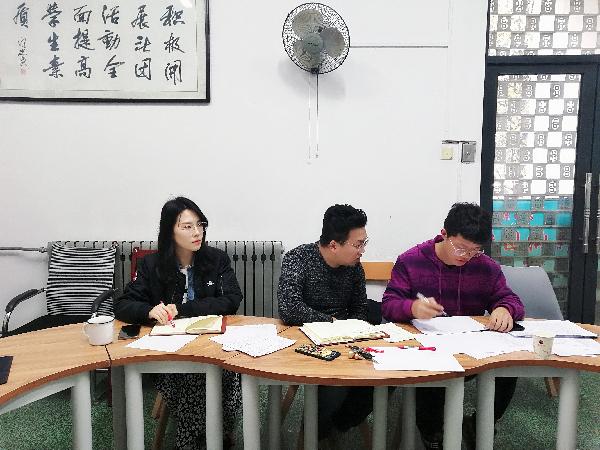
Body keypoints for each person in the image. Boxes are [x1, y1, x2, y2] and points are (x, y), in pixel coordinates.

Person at [381, 202, 525, 450]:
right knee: (432, 377)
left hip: (472, 349)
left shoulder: (486, 267)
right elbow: (389, 304)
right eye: (460, 248)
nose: (466, 256)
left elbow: (511, 300)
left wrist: (504, 308)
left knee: (508, 366)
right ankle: (432, 435)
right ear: (444, 234)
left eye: (475, 250)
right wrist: (412, 308)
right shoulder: (411, 261)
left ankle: (480, 425)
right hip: (427, 348)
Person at [114, 196, 243, 450]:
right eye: (187, 226)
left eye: (200, 225)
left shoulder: (217, 260)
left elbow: (232, 299)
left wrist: (183, 309)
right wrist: (150, 311)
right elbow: (122, 304)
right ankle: (200, 440)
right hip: (170, 354)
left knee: (229, 370)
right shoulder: (152, 265)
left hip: (211, 346)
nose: (197, 232)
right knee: (195, 378)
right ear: (169, 231)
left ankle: (213, 433)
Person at [278, 204, 374, 443]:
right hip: (303, 341)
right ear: (333, 245)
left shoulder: (354, 268)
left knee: (385, 377)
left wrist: (350, 330)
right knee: (336, 382)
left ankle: (336, 423)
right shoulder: (298, 258)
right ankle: (319, 433)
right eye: (358, 244)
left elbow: (360, 309)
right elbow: (290, 308)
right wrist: (332, 322)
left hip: (343, 340)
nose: (362, 251)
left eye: (364, 243)